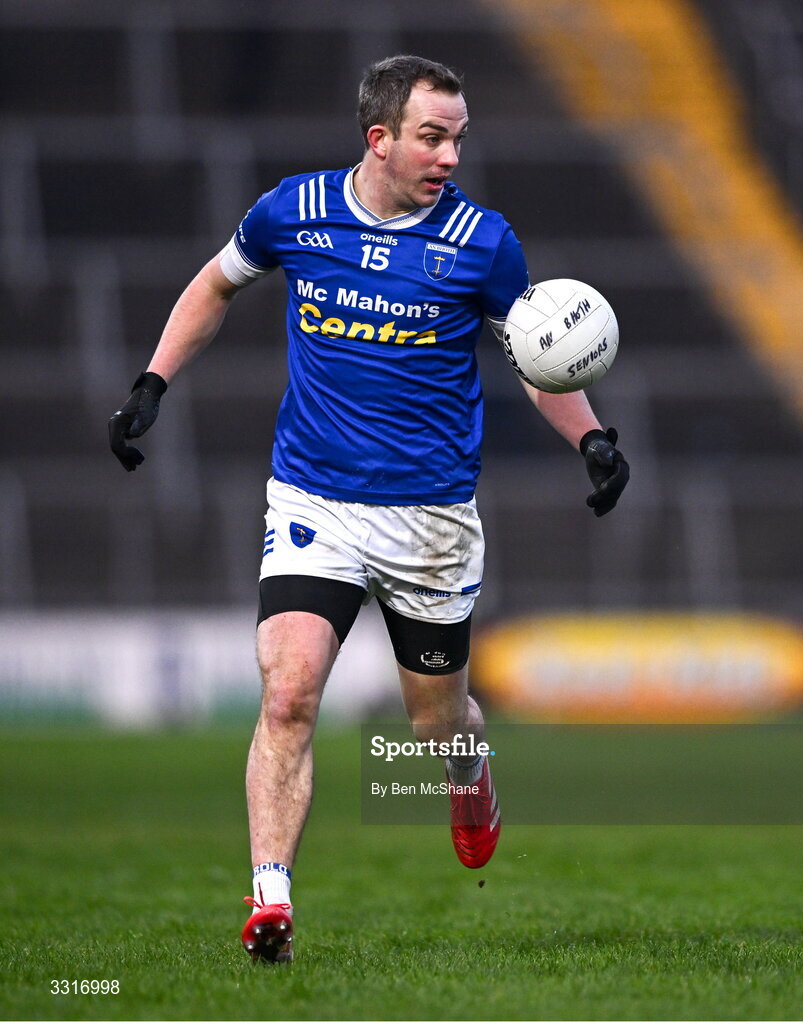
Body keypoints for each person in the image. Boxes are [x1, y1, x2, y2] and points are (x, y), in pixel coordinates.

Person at [108, 55, 629, 964]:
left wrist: (589, 439)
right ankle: (270, 894)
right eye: (432, 136)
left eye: (458, 137)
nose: (450, 155)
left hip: (429, 518)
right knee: (289, 693)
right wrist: (152, 382)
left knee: (437, 722)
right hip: (314, 499)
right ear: (378, 138)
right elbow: (214, 284)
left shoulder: (482, 242)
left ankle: (469, 780)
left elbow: (538, 353)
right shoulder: (294, 212)